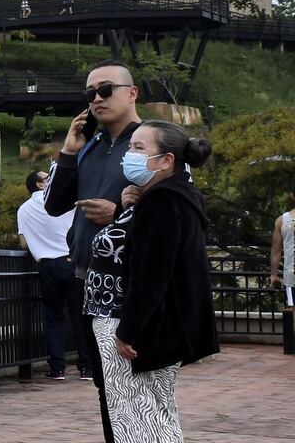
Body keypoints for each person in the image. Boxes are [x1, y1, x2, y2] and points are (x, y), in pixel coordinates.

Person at [86, 121, 218, 442]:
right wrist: (130, 206)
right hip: (146, 323)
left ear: (166, 161)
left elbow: (152, 273)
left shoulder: (163, 202)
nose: (128, 154)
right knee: (151, 413)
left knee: (138, 418)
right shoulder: (164, 197)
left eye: (139, 148)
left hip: (135, 326)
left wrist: (128, 331)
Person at [43, 59, 142, 443]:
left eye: (105, 90)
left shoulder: (154, 141)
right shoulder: (91, 145)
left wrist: (119, 212)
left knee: (136, 381)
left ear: (131, 93)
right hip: (87, 277)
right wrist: (68, 152)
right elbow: (53, 205)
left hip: (130, 280)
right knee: (105, 383)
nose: (96, 99)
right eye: (90, 94)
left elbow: (179, 208)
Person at [17, 169, 90, 380]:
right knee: (79, 317)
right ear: (40, 185)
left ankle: (57, 369)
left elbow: (24, 242)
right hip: (72, 262)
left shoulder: (23, 209)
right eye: (48, 178)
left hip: (48, 265)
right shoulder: (64, 202)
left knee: (53, 318)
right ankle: (86, 367)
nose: (52, 180)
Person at [271, 200, 295, 306]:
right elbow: (276, 251)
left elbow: (276, 251)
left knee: (292, 316)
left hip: (291, 278)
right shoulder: (282, 220)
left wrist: (273, 275)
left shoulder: (283, 220)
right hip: (291, 279)